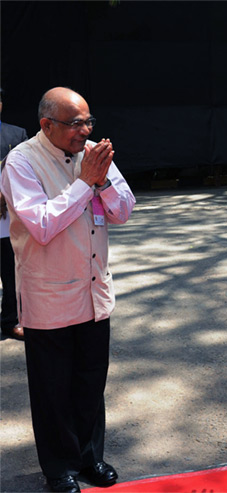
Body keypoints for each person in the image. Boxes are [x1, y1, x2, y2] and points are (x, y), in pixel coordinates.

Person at [1, 87, 135, 493]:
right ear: (47, 125)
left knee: (91, 384)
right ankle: (58, 468)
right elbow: (41, 225)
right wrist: (84, 184)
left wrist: (103, 181)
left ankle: (90, 457)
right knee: (52, 390)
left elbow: (124, 211)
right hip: (50, 297)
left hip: (94, 293)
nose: (85, 131)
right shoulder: (21, 161)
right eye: (76, 123)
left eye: (89, 121)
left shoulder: (92, 153)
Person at [0, 87, 29, 340]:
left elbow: (27, 175)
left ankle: (11, 320)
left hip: (7, 218)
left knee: (11, 272)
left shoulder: (16, 134)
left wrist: (4, 194)